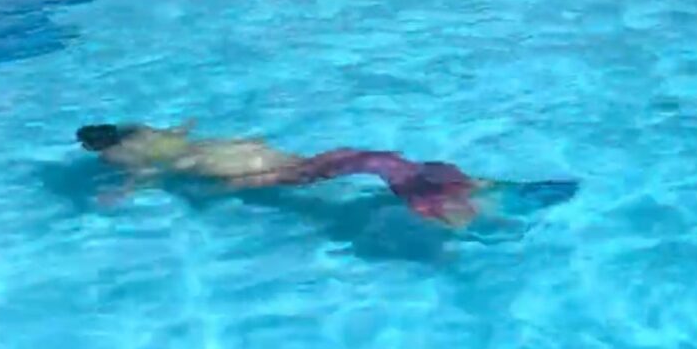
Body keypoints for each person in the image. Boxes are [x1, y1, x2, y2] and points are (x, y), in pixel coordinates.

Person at [76, 122, 492, 227]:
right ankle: (426, 179)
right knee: (329, 162)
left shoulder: (117, 156)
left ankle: (439, 200)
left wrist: (123, 193)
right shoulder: (143, 130)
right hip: (236, 148)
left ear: (94, 147)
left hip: (225, 166)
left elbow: (148, 172)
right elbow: (175, 138)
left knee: (310, 181)